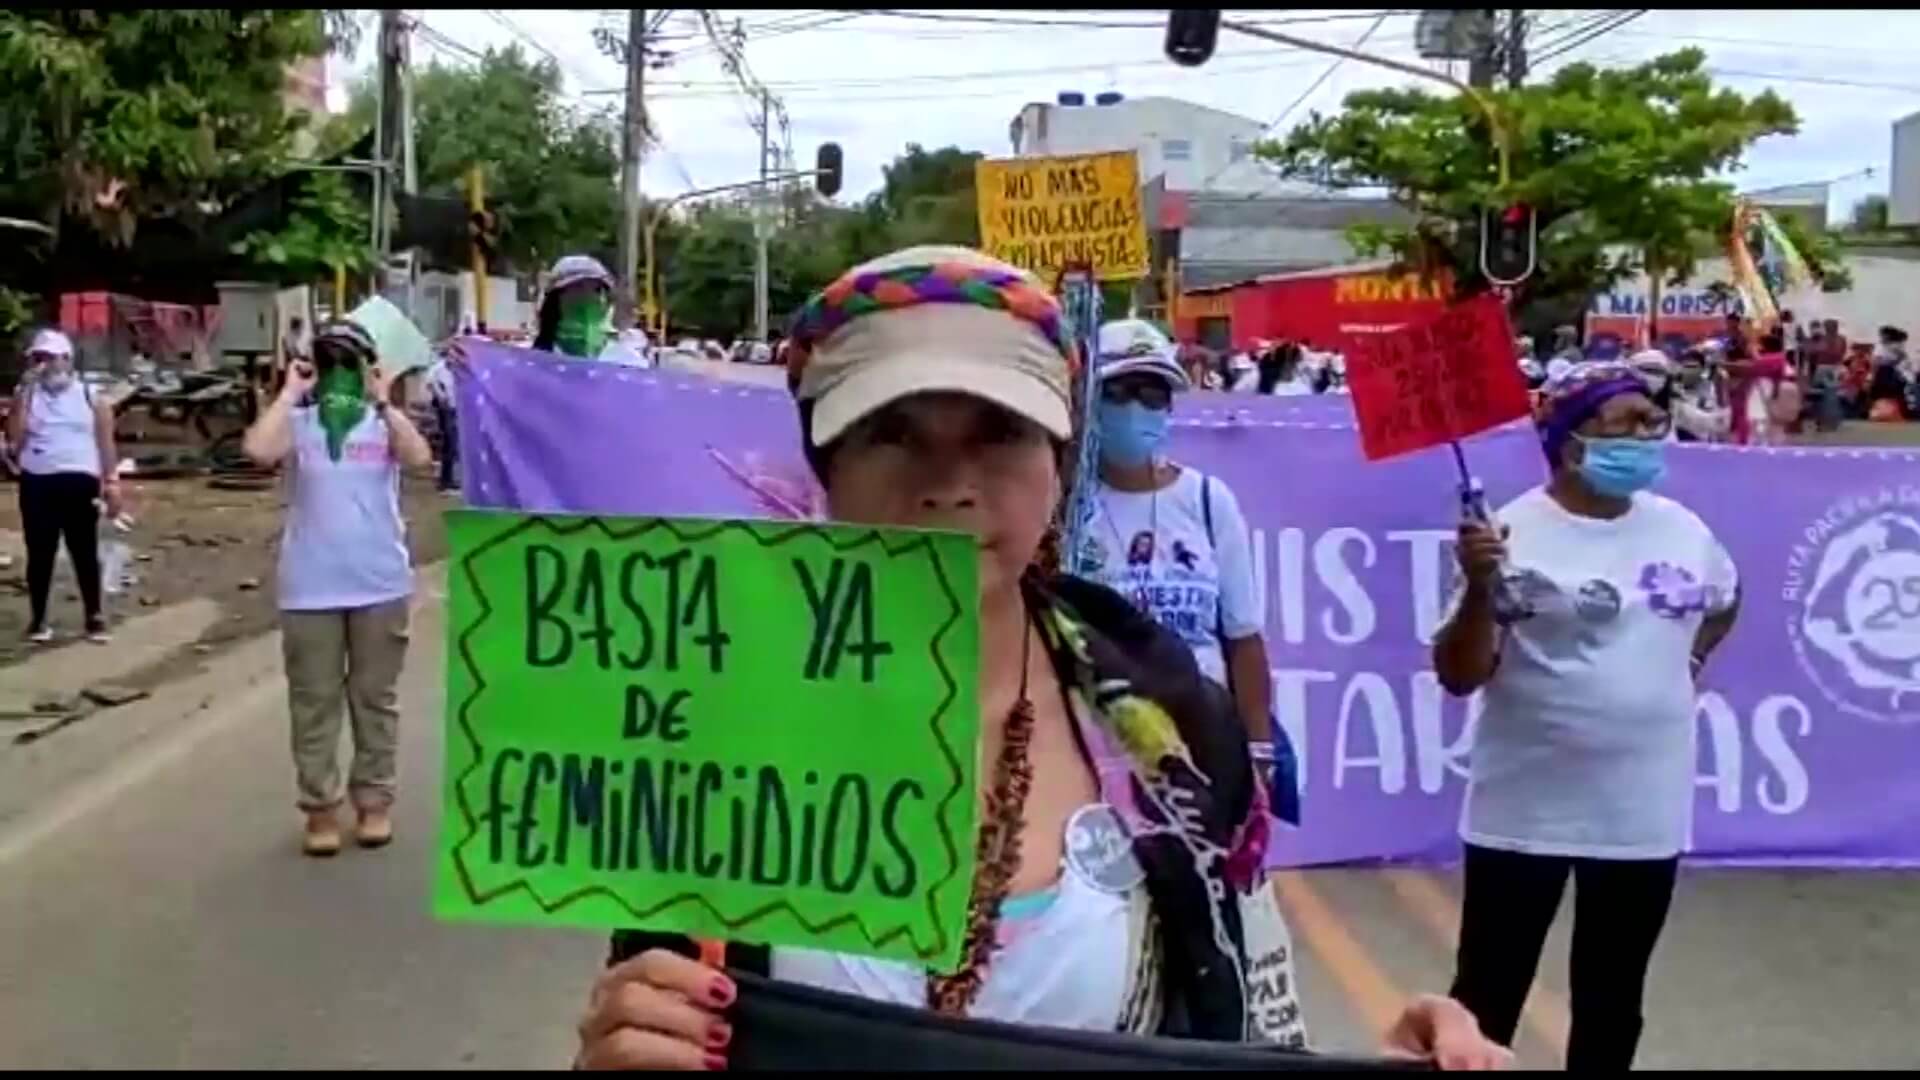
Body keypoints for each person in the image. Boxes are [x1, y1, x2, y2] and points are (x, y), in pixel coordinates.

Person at [575, 245, 1511, 1071]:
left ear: (1058, 465)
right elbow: (656, 1003)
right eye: (892, 434)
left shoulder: (1172, 731)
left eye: (1000, 434)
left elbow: (1252, 1035)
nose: (948, 485)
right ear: (827, 466)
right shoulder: (709, 726)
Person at [1433, 361, 1740, 1071]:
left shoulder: (1684, 529)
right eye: (1627, 422)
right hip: (1525, 812)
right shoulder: (1507, 532)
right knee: (1487, 995)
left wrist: (1687, 665)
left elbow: (1726, 599)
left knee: (1612, 998)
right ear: (1572, 443)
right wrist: (1481, 588)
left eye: (1653, 421)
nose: (1649, 434)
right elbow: (1459, 674)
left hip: (1641, 815)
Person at [242, 319, 434, 857]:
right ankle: (320, 808)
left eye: (348, 366)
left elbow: (419, 459)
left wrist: (385, 399)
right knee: (314, 703)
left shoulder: (382, 427)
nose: (338, 378)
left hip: (379, 583)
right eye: (329, 366)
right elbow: (258, 450)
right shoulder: (299, 427)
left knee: (375, 698)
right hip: (310, 588)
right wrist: (289, 392)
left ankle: (374, 803)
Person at [1081, 319, 1274, 749]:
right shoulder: (1067, 509)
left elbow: (1244, 639)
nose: (1135, 409)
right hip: (1103, 744)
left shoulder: (1208, 501)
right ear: (1089, 402)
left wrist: (1259, 751)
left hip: (1205, 738)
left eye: (1152, 394)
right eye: (1118, 392)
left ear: (1169, 407)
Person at [5, 329, 122, 644]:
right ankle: (39, 618)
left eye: (51, 357)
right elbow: (15, 441)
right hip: (38, 479)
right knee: (40, 551)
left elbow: (105, 442)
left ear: (67, 359)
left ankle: (94, 617)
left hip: (79, 479)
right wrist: (23, 397)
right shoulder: (28, 395)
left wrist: (111, 481)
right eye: (39, 358)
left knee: (83, 549)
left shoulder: (91, 396)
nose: (46, 365)